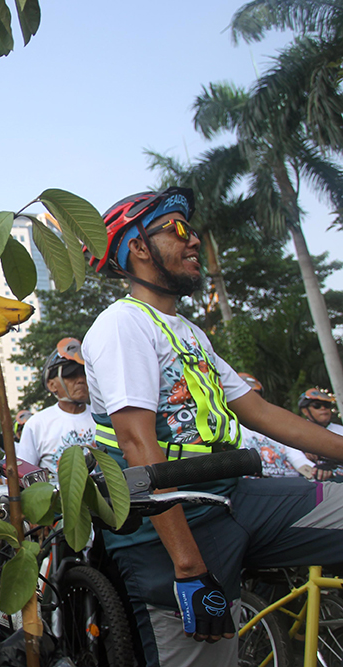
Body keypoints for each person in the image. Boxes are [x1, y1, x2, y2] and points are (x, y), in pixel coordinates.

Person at [83, 186, 343, 667]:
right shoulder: (122, 325)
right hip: (168, 529)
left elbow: (263, 414)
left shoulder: (189, 332)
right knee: (208, 655)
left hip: (232, 497)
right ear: (139, 248)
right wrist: (188, 565)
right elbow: (138, 446)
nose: (195, 240)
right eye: (178, 229)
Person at [15, 338, 95, 481]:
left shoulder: (102, 418)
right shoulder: (37, 424)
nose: (81, 380)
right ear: (52, 385)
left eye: (83, 373)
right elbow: (23, 476)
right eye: (71, 375)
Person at [237, 374, 312, 479]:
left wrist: (314, 472)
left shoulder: (278, 424)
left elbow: (298, 459)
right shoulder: (231, 428)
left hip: (294, 482)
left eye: (255, 396)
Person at [298, 388, 343, 477]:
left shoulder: (341, 429)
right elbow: (297, 460)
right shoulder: (298, 430)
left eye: (326, 405)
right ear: (305, 411)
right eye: (317, 405)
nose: (323, 408)